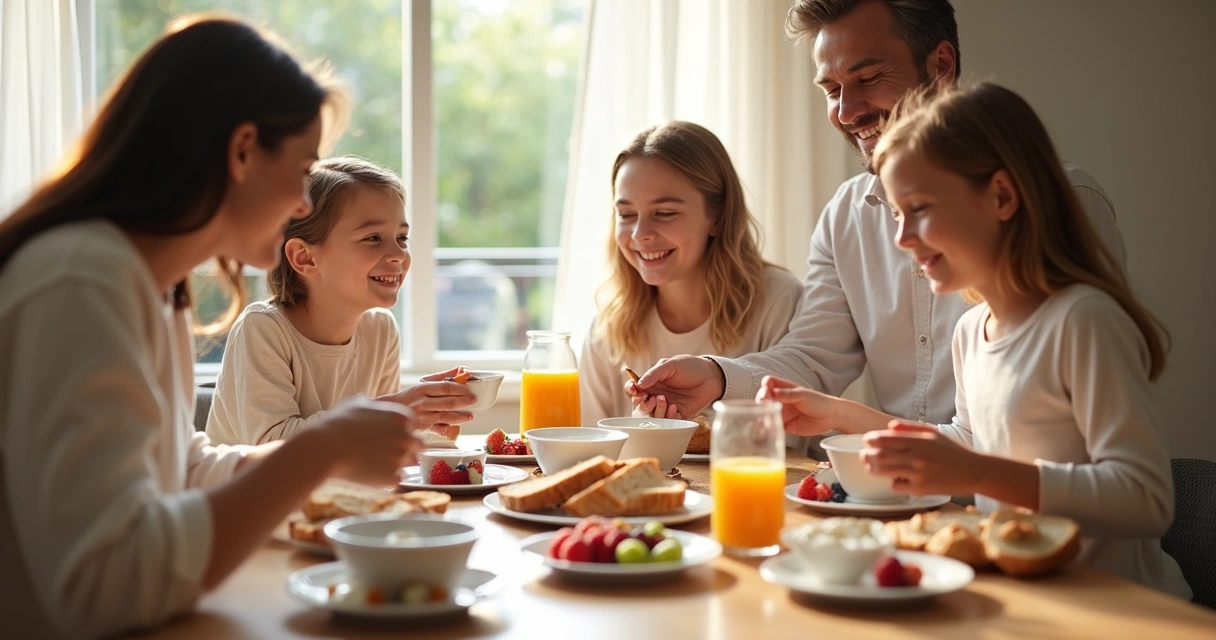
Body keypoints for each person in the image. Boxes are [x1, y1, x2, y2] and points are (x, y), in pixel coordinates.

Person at [0, 17, 424, 639]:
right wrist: (321, 448)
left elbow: (182, 469)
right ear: (243, 151)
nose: (302, 207)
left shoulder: (153, 284)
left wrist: (327, 458)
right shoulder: (81, 280)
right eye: (301, 169)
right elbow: (102, 590)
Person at [758, 82, 1190, 599]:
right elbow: (967, 443)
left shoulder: (1083, 321)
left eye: (919, 208)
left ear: (1002, 197)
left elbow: (1145, 497)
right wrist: (839, 414)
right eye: (897, 215)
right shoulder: (972, 331)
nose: (901, 238)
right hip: (1028, 600)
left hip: (1118, 610)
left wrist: (979, 472)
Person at [627, 0, 1127, 440]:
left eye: (867, 79)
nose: (847, 111)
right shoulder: (845, 216)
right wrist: (716, 375)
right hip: (900, 501)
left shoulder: (1057, 201)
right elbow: (814, 359)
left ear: (941, 65)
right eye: (831, 89)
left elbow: (1089, 433)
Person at [205, 156, 476, 446]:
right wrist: (397, 409)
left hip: (337, 492)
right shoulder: (263, 330)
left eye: (402, 237)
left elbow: (369, 441)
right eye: (373, 237)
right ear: (305, 257)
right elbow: (273, 448)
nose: (398, 253)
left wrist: (423, 418)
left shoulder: (380, 330)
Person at [579, 121, 802, 425]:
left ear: (717, 216)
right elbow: (592, 450)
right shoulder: (608, 327)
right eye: (627, 214)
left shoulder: (778, 300)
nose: (640, 234)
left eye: (665, 213)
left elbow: (790, 444)